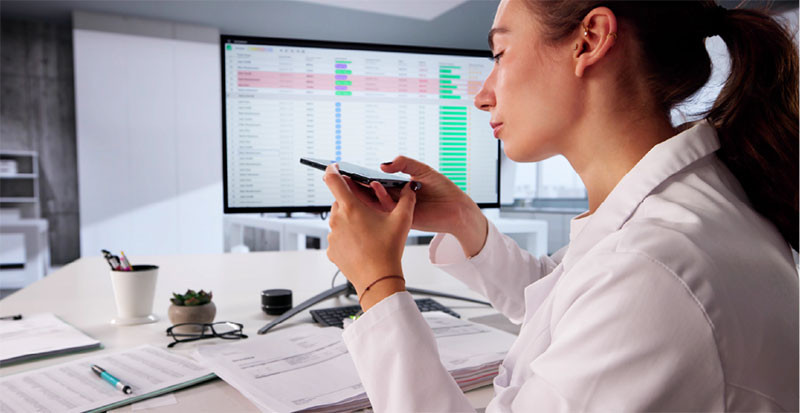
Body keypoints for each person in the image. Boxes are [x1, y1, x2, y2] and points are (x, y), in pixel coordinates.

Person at [322, 0, 799, 411]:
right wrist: (462, 220)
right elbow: (567, 302)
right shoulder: (672, 216)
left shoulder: (654, 269)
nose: (481, 96)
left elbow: (617, 293)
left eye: (500, 54)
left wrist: (378, 284)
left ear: (589, 40)